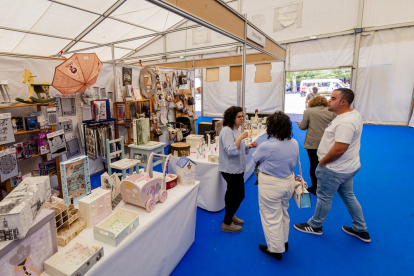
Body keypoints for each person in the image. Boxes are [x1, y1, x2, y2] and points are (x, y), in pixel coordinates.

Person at [294, 88, 371, 243]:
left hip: (334, 169)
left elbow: (340, 149)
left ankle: (315, 225)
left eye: (333, 98)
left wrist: (322, 163)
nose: (329, 100)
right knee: (349, 196)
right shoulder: (351, 114)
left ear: (343, 102)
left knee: (324, 198)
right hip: (348, 167)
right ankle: (360, 228)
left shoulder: (346, 122)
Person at [253, 111, 298, 261]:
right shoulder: (294, 142)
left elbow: (255, 158)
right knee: (284, 212)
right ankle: (284, 242)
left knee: (271, 217)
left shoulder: (267, 145)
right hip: (288, 182)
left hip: (271, 184)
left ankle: (275, 249)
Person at [219, 106, 258, 233]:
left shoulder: (235, 129)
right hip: (230, 169)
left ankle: (230, 215)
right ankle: (227, 222)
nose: (242, 119)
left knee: (232, 194)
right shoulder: (226, 131)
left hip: (237, 168)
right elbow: (230, 150)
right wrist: (241, 137)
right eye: (239, 117)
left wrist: (248, 146)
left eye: (242, 116)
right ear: (232, 118)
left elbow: (238, 148)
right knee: (238, 195)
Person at [297, 96, 336, 195]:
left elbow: (303, 127)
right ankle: (328, 186)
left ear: (312, 102)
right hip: (328, 143)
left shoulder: (308, 111)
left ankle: (315, 187)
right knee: (328, 165)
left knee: (314, 165)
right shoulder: (332, 112)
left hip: (313, 143)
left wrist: (299, 124)